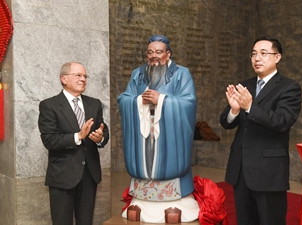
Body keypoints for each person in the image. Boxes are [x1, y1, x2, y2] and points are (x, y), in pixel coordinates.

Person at [220, 36, 302, 225]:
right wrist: (234, 110)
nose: (257, 58)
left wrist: (250, 106)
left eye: (263, 53)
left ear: (277, 57)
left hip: (268, 171)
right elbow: (226, 123)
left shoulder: (289, 87)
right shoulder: (245, 85)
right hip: (240, 169)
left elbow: (282, 121)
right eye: (254, 54)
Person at [117, 34, 198, 223]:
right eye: (150, 52)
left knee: (167, 160)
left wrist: (161, 101)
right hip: (143, 134)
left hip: (169, 134)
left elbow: (189, 102)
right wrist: (138, 101)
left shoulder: (181, 73)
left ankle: (174, 201)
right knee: (145, 160)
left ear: (168, 54)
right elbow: (124, 98)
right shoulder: (137, 74)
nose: (154, 56)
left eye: (159, 52)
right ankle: (140, 200)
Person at [38, 62, 109, 225]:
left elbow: (103, 130)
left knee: (86, 221)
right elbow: (49, 140)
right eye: (78, 75)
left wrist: (100, 138)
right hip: (63, 176)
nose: (83, 79)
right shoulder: (49, 105)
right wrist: (78, 136)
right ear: (64, 78)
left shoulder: (94, 103)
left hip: (89, 175)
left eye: (85, 76)